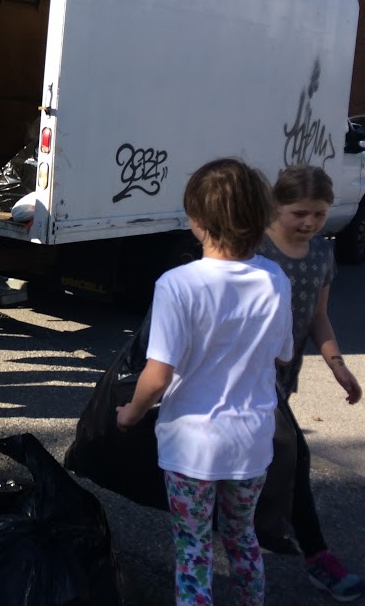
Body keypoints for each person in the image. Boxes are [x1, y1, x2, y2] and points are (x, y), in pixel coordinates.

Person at [117, 158, 294, 606]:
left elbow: (157, 377)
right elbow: (282, 355)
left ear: (196, 220)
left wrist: (130, 413)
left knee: (193, 548)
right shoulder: (275, 280)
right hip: (251, 442)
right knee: (243, 538)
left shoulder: (177, 284)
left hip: (192, 446)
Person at [257, 165, 364, 602]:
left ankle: (248, 530)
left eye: (319, 214)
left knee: (268, 460)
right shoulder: (253, 247)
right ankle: (318, 557)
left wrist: (337, 365)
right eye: (299, 213)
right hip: (246, 378)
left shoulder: (322, 252)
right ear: (275, 206)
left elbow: (318, 316)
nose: (310, 223)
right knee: (294, 458)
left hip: (283, 378)